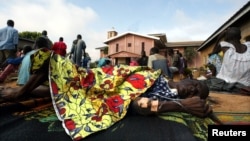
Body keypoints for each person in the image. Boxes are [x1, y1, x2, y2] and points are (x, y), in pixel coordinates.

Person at [0, 48, 214, 140]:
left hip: (103, 97)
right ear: (186, 78)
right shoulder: (158, 75)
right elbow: (125, 74)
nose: (192, 89)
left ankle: (15, 93)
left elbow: (138, 105)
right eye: (195, 85)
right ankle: (18, 92)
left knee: (62, 92)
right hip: (101, 80)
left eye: (196, 93)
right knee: (57, 68)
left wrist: (181, 105)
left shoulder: (168, 97)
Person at [204, 27, 250, 94]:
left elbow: (213, 55)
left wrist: (219, 38)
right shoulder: (248, 47)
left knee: (203, 83)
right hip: (245, 85)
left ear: (227, 38)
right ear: (240, 37)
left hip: (225, 83)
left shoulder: (224, 46)